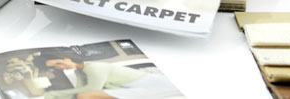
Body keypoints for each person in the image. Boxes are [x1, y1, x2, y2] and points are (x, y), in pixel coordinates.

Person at [33, 54, 181, 99]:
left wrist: (51, 95)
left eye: (59, 62)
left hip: (149, 85)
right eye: (55, 67)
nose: (61, 67)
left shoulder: (94, 67)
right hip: (130, 88)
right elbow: (79, 91)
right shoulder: (80, 71)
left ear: (67, 58)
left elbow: (90, 91)